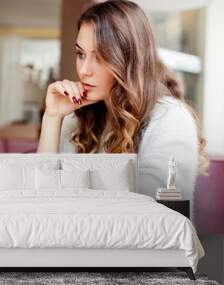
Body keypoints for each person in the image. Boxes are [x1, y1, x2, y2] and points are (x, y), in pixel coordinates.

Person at [37, 0, 208, 202]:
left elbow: (157, 213)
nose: (84, 70)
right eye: (80, 54)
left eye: (100, 57)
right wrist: (52, 117)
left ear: (128, 60)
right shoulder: (77, 119)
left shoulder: (171, 119)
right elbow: (42, 196)